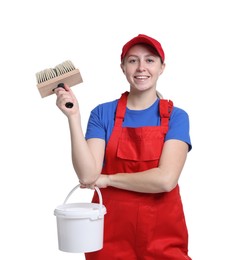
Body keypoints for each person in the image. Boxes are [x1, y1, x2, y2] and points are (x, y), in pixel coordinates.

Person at [54, 34, 192, 260]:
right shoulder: (103, 114)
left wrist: (108, 179)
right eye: (132, 60)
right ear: (123, 67)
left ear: (162, 67)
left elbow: (166, 179)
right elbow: (88, 175)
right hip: (110, 235)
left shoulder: (176, 117)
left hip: (162, 236)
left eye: (150, 60)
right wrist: (73, 117)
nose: (141, 68)